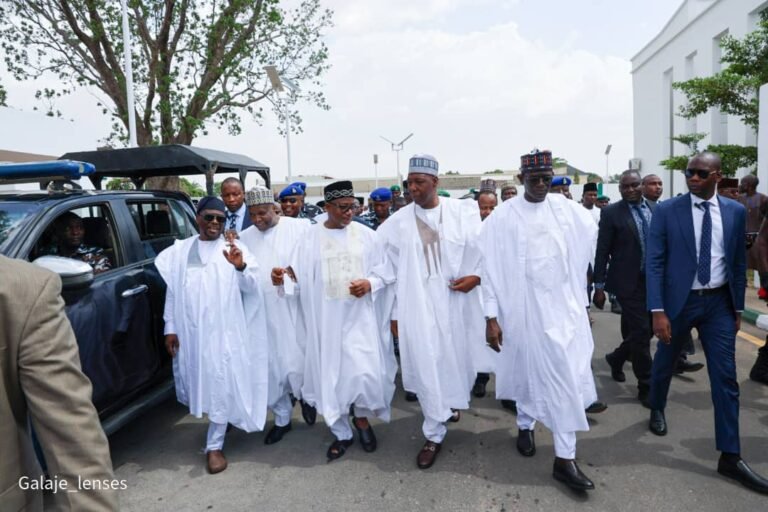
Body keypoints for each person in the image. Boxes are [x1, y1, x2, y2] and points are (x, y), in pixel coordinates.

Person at [646, 152, 768, 494]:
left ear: (718, 175)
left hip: (718, 304)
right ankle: (656, 406)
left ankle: (730, 456)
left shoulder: (734, 211)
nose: (693, 178)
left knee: (726, 378)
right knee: (665, 362)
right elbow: (654, 262)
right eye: (690, 173)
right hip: (678, 302)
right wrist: (658, 310)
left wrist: (737, 308)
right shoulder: (668, 211)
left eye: (701, 173)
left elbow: (737, 262)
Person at [480, 149, 598, 491]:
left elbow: (589, 242)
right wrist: (491, 317)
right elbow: (488, 269)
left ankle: (565, 458)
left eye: (547, 178)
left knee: (565, 380)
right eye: (535, 179)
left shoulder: (566, 210)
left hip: (563, 312)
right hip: (522, 312)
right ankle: (525, 424)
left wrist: (584, 301)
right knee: (526, 373)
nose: (543, 185)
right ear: (521, 179)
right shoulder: (502, 218)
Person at [371, 154, 481, 470]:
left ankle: (449, 404)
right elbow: (388, 271)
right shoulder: (395, 224)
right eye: (410, 183)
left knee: (455, 364)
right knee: (425, 364)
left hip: (455, 307)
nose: (413, 188)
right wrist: (394, 314)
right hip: (416, 309)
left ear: (435, 181)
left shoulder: (463, 213)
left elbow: (483, 252)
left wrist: (477, 276)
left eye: (419, 182)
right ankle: (433, 432)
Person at [273, 181, 396, 461]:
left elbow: (386, 272)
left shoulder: (367, 236)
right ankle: (342, 432)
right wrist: (282, 280)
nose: (349, 212)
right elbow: (296, 280)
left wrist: (371, 283)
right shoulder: (308, 239)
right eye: (342, 207)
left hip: (360, 321)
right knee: (331, 378)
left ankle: (361, 419)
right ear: (327, 207)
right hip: (325, 324)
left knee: (363, 374)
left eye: (352, 206)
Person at [156, 196, 269, 474]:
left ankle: (214, 446)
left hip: (224, 333)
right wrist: (170, 327)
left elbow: (252, 287)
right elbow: (173, 292)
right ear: (198, 218)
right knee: (202, 382)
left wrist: (240, 266)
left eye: (220, 218)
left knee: (220, 382)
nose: (215, 223)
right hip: (192, 334)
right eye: (209, 217)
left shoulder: (234, 248)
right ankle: (221, 419)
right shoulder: (181, 251)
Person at [0, 255, 119, 511]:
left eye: (80, 233)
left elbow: (72, 436)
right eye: (70, 232)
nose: (75, 235)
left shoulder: (22, 289)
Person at [239, 186, 317, 443]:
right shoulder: (244, 237)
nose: (257, 219)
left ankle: (307, 398)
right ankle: (283, 419)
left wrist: (289, 276)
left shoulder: (300, 228)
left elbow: (312, 265)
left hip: (295, 310)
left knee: (300, 360)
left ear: (275, 209)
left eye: (262, 213)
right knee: (271, 367)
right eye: (252, 214)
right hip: (262, 313)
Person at [593, 170, 654, 405]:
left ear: (642, 186)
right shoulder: (611, 213)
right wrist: (599, 286)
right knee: (641, 332)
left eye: (634, 185)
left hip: (654, 282)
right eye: (624, 186)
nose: (630, 190)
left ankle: (617, 358)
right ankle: (646, 385)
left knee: (648, 330)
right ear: (619, 189)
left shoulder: (656, 210)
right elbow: (602, 250)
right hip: (628, 283)